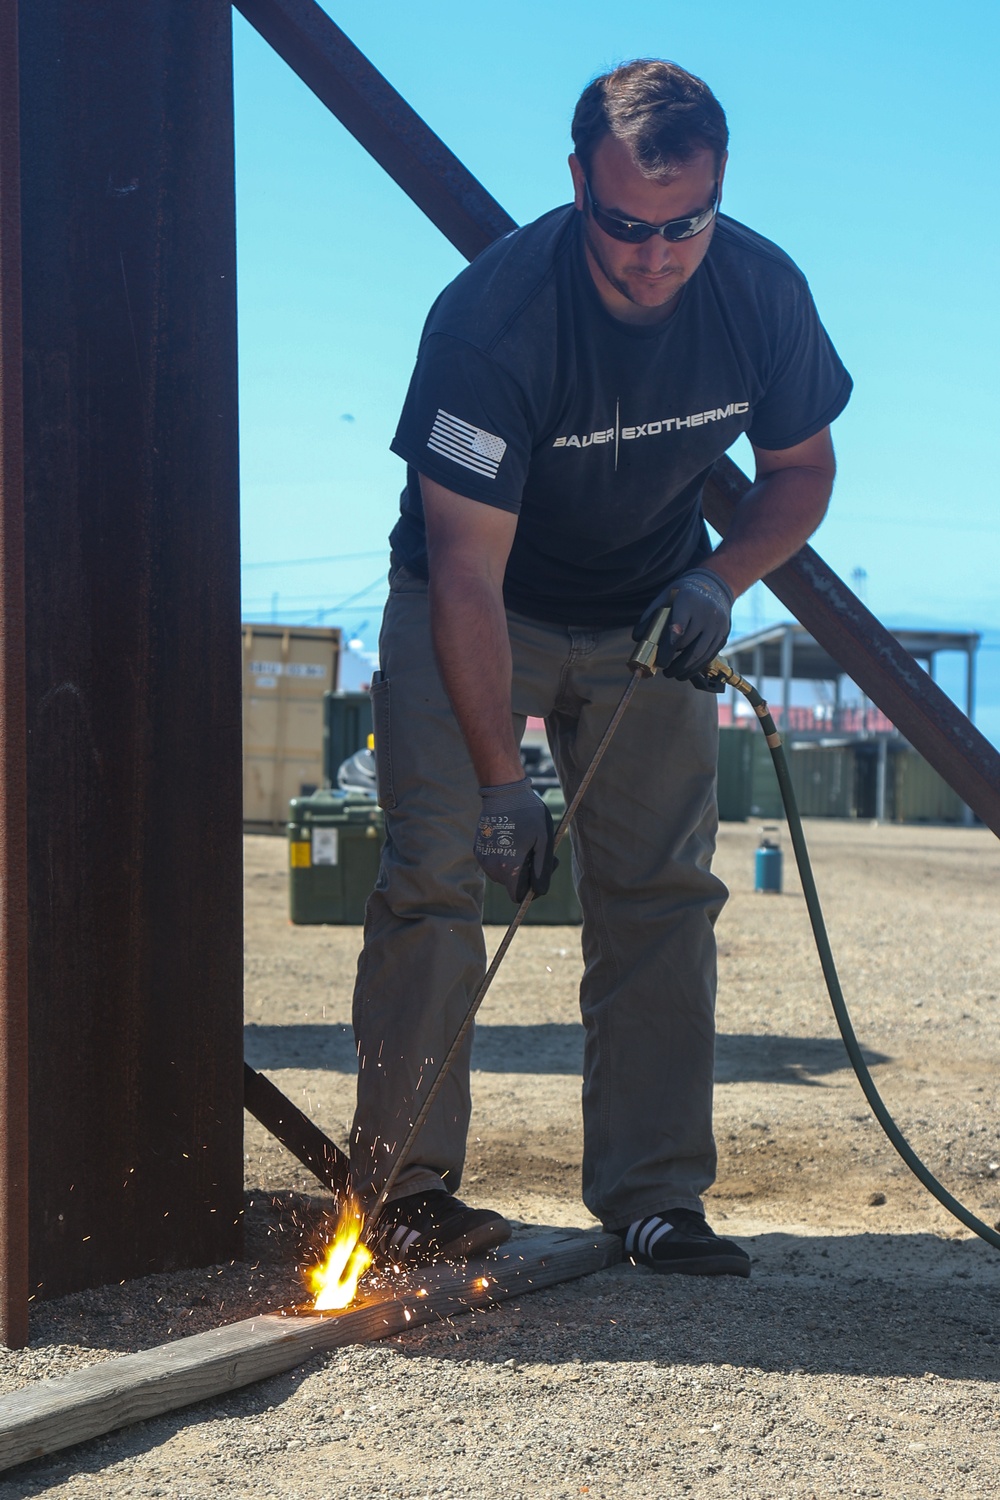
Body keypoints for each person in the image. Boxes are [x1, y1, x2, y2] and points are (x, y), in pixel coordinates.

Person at [351, 59, 851, 1277]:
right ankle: (402, 1199)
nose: (653, 257)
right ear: (577, 182)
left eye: (685, 225)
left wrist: (715, 581)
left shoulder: (760, 292)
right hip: (477, 603)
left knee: (663, 898)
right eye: (625, 225)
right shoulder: (490, 323)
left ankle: (652, 1200)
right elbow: (465, 573)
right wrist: (500, 785)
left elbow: (800, 472)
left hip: (647, 610)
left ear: (719, 191)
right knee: (433, 876)